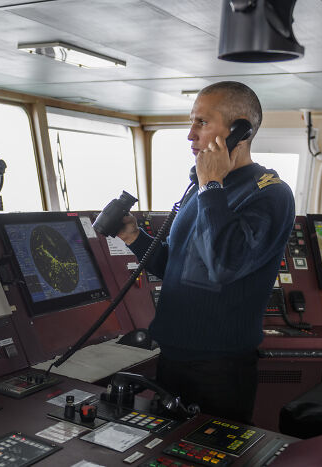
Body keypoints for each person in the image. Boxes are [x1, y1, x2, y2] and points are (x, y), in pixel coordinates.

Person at [117, 81, 295, 424]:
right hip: (172, 357)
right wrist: (132, 236)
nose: (190, 135)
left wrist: (212, 185)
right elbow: (180, 266)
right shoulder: (201, 189)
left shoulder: (271, 194)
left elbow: (227, 264)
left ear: (239, 130)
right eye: (192, 122)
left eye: (201, 122)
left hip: (220, 368)